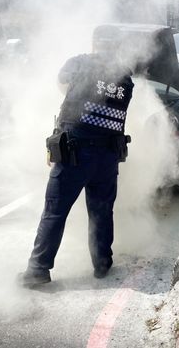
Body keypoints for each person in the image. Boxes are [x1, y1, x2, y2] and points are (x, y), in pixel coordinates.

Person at [21, 26, 134, 287]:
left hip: (75, 153)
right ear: (117, 46)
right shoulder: (125, 76)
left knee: (55, 212)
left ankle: (38, 269)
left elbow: (62, 85)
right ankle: (103, 263)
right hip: (107, 157)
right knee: (102, 212)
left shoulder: (79, 62)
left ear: (94, 43)